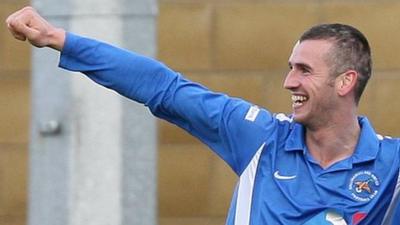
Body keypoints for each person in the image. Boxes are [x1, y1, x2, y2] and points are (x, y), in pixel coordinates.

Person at [6, 6, 400, 225]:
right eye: (289, 67)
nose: (288, 82)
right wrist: (60, 39)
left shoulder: (392, 169)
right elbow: (163, 87)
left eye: (304, 70)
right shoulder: (260, 137)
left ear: (346, 81)